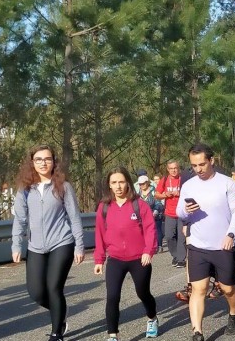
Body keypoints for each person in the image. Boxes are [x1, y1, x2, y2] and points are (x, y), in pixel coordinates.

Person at [11, 144, 84, 341]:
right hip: (35, 246)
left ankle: (56, 333)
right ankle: (60, 313)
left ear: (54, 162)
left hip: (62, 242)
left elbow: (74, 217)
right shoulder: (25, 189)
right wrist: (16, 244)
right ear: (32, 163)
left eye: (47, 159)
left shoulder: (63, 186)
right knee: (36, 293)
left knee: (54, 288)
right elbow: (20, 219)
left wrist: (79, 245)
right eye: (39, 160)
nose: (43, 163)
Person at [176, 143, 235, 341]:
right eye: (194, 166)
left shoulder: (226, 183)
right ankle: (197, 332)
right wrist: (186, 211)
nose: (198, 169)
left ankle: (234, 313)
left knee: (228, 288)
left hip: (223, 245)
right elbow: (179, 212)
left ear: (211, 161)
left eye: (202, 164)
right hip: (197, 245)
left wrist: (231, 234)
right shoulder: (188, 185)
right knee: (198, 289)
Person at [94, 167, 159, 340]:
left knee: (142, 293)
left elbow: (150, 229)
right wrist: (99, 259)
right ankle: (112, 334)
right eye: (114, 182)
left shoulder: (139, 204)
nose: (118, 186)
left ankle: (152, 318)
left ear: (128, 183)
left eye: (121, 182)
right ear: (109, 185)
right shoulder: (104, 207)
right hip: (115, 259)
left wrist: (148, 251)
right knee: (112, 296)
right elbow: (99, 234)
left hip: (139, 259)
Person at [155, 160, 186, 268]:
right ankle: (175, 256)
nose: (173, 170)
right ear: (168, 169)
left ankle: (181, 259)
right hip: (169, 213)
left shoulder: (183, 179)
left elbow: (191, 192)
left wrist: (180, 193)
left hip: (182, 213)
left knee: (181, 237)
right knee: (169, 236)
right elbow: (157, 195)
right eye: (171, 168)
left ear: (179, 168)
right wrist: (165, 195)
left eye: (175, 168)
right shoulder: (164, 180)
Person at [138, 175, 165, 252]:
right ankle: (148, 246)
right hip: (143, 216)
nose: (142, 185)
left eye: (143, 183)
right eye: (140, 184)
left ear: (147, 183)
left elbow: (159, 203)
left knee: (157, 230)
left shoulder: (154, 191)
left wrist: (155, 211)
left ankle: (159, 246)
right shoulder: (137, 193)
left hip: (155, 215)